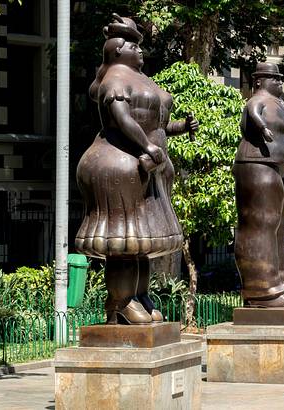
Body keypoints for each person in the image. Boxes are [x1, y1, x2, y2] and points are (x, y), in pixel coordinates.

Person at [76, 14, 198, 324]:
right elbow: (122, 118)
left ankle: (140, 296)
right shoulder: (115, 78)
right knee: (124, 243)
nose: (139, 50)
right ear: (117, 49)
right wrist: (146, 147)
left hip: (147, 169)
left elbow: (154, 123)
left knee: (142, 244)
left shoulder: (142, 78)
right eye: (133, 44)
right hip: (119, 166)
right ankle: (120, 302)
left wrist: (180, 126)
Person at [233, 62, 284, 308]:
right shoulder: (257, 100)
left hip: (280, 166)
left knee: (280, 225)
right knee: (261, 222)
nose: (279, 83)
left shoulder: (281, 104)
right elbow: (253, 112)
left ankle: (281, 282)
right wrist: (261, 125)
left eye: (280, 79)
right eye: (274, 79)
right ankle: (261, 289)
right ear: (259, 81)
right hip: (257, 163)